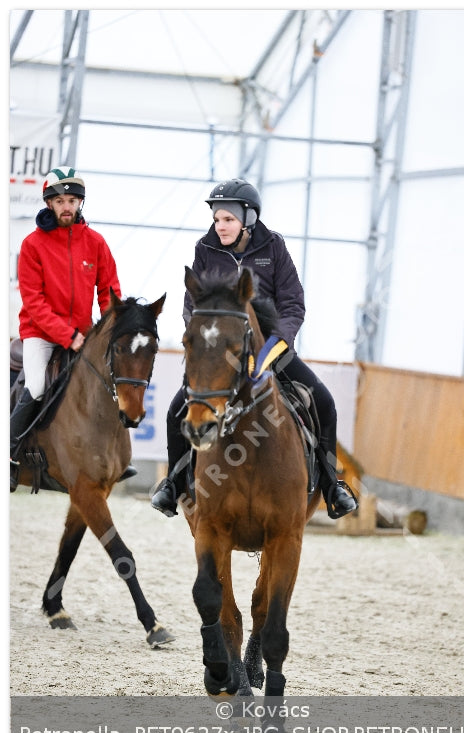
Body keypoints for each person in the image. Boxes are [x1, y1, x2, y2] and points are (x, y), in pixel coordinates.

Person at [151, 178, 358, 519]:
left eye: (228, 219)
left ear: (248, 218)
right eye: (217, 219)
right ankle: (173, 484)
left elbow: (293, 305)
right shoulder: (205, 249)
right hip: (221, 356)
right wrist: (206, 340)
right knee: (178, 407)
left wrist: (272, 347)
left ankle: (332, 485)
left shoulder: (274, 246)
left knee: (323, 401)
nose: (220, 226)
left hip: (271, 351)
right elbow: (193, 305)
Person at [9, 166, 134, 491]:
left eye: (72, 201)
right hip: (40, 333)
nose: (66, 207)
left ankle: (116, 455)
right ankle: (8, 453)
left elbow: (109, 291)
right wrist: (68, 336)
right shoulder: (32, 244)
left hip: (84, 334)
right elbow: (34, 301)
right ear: (49, 204)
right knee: (37, 384)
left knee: (110, 379)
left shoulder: (96, 243)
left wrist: (111, 328)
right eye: (60, 201)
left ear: (80, 203)